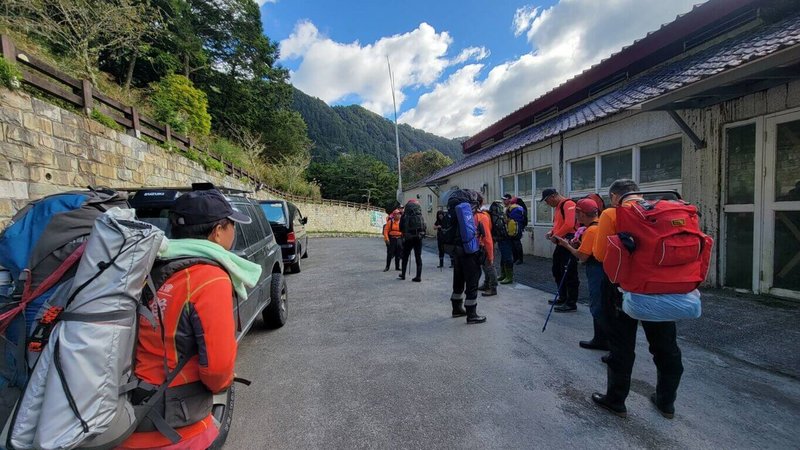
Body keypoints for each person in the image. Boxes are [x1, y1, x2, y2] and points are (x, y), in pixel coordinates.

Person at [120, 188, 260, 450]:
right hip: (176, 429)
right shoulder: (209, 278)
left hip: (126, 414)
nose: (234, 233)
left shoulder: (152, 266)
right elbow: (217, 372)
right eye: (231, 225)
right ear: (218, 231)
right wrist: (225, 378)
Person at [590, 179, 684, 420]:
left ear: (614, 196)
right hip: (663, 288)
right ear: (638, 194)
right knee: (666, 346)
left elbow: (600, 254)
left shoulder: (612, 214)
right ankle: (666, 402)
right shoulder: (665, 210)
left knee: (621, 346)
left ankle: (616, 400)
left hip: (622, 288)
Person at [553, 198, 608, 350]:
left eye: (577, 213)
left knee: (597, 303)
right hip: (604, 268)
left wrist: (566, 245)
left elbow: (582, 256)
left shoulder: (591, 230)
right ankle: (604, 338)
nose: (575, 217)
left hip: (596, 269)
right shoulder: (601, 226)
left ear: (582, 214)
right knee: (603, 302)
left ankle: (601, 340)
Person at [449, 190, 486, 324]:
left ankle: (456, 308)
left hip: (457, 250)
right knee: (472, 282)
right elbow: (486, 239)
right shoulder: (476, 216)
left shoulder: (456, 213)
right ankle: (472, 314)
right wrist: (490, 256)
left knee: (458, 280)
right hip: (470, 251)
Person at [543, 188, 579, 312]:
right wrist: (552, 232)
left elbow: (569, 225)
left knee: (569, 272)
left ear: (553, 196)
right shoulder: (558, 207)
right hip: (561, 241)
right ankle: (563, 296)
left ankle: (571, 302)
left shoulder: (568, 204)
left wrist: (556, 236)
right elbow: (559, 224)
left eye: (547, 200)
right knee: (557, 270)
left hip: (568, 241)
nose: (547, 204)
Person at [498, 195, 525, 284]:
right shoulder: (507, 209)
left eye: (505, 200)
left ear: (509, 200)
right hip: (505, 235)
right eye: (503, 200)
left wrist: (506, 220)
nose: (503, 201)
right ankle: (504, 274)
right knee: (505, 254)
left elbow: (514, 221)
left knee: (512, 250)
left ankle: (509, 275)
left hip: (511, 234)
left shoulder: (515, 209)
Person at [474, 194, 497, 296]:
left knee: (489, 266)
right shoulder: (482, 214)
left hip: (484, 244)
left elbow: (487, 236)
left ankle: (493, 288)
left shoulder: (481, 216)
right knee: (485, 266)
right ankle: (486, 284)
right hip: (481, 244)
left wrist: (490, 253)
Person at [399, 199, 424, 282]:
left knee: (405, 256)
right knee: (418, 257)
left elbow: (400, 228)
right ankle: (418, 276)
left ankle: (403, 274)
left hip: (408, 238)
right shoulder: (419, 215)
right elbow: (424, 227)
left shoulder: (405, 215)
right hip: (418, 238)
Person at [383, 206, 403, 271]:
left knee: (398, 254)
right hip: (392, 239)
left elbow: (404, 231)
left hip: (399, 239)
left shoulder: (402, 222)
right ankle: (387, 267)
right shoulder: (390, 222)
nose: (399, 215)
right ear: (394, 215)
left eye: (399, 214)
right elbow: (385, 231)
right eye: (397, 214)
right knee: (390, 254)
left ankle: (397, 267)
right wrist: (387, 239)